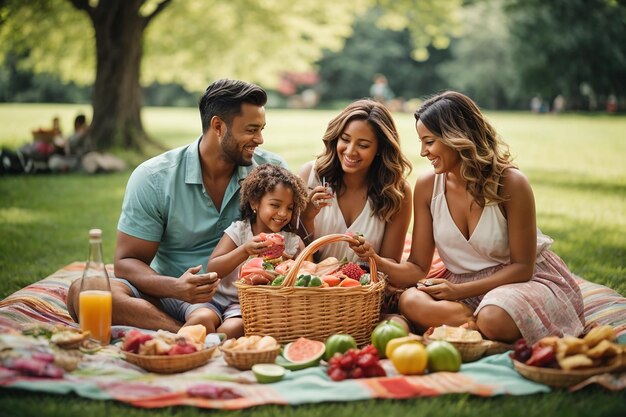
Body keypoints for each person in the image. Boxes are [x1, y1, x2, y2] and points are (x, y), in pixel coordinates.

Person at [352, 91, 585, 345]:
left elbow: (522, 267)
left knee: (495, 317)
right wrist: (376, 260)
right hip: (458, 284)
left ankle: (471, 326)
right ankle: (475, 325)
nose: (423, 152)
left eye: (429, 141)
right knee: (410, 300)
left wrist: (458, 292)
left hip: (517, 282)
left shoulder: (511, 183)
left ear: (455, 137)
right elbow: (418, 267)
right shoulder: (428, 186)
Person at [66, 79, 287, 338]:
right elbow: (127, 262)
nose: (259, 139)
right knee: (83, 291)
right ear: (218, 126)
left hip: (248, 301)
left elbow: (295, 240)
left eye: (261, 129)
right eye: (251, 130)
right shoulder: (154, 178)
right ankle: (186, 335)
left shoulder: (269, 174)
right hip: (172, 298)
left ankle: (192, 335)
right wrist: (175, 287)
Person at [299, 98, 412, 266]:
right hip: (313, 286)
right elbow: (294, 253)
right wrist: (307, 217)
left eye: (363, 145)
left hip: (366, 288)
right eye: (345, 139)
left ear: (380, 149)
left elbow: (391, 263)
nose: (350, 152)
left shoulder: (396, 191)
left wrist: (373, 257)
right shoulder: (311, 175)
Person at [205, 164, 308, 331]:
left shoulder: (292, 243)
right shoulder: (240, 231)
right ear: (254, 202)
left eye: (289, 208)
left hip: (247, 306)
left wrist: (286, 264)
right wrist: (244, 250)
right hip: (217, 299)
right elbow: (213, 268)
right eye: (275, 205)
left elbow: (307, 276)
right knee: (201, 320)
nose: (283, 213)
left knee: (230, 329)